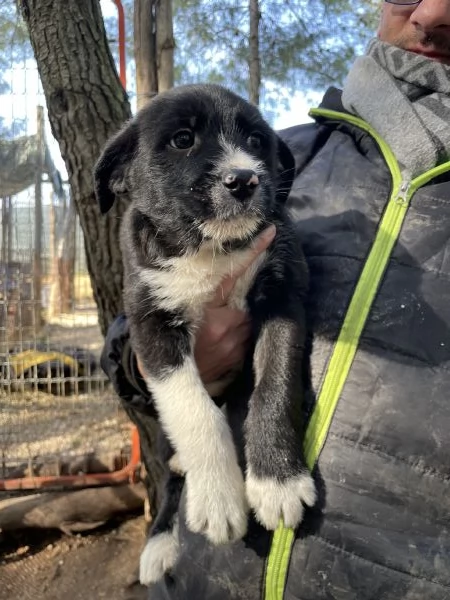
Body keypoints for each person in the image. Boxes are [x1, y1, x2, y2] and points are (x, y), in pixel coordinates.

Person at [101, 1, 450, 598]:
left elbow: (281, 310)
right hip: (210, 573)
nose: (432, 13)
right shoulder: (294, 156)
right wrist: (157, 368)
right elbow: (134, 353)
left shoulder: (270, 169)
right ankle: (163, 520)